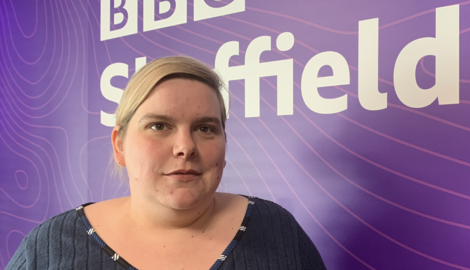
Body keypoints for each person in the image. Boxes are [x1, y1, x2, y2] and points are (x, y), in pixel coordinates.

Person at [6, 56, 326, 270]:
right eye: (159, 126)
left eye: (205, 128)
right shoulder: (48, 249)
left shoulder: (277, 230)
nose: (185, 147)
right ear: (119, 144)